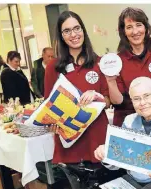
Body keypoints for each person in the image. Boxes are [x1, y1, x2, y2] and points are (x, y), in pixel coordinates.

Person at [44, 11, 110, 164]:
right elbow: (49, 105)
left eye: (77, 28)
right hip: (70, 142)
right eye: (67, 31)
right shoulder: (53, 67)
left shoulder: (99, 63)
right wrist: (51, 123)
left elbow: (108, 101)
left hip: (97, 138)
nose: (73, 34)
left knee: (102, 185)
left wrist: (97, 96)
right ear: (61, 36)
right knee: (76, 187)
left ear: (83, 31)